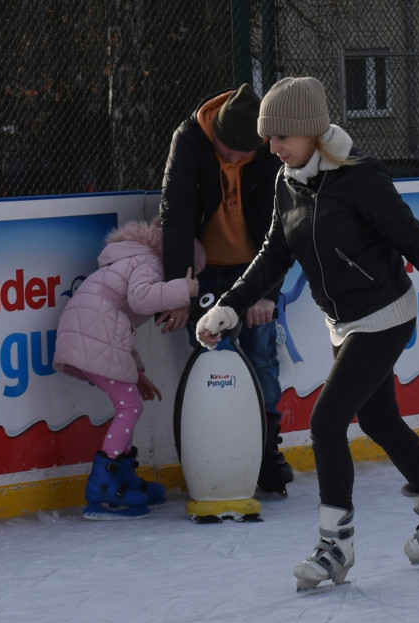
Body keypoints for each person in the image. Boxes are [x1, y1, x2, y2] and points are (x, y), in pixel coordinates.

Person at [194, 76, 419, 590]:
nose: (272, 146)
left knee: (326, 422)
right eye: (269, 138)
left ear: (310, 130)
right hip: (344, 323)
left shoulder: (360, 177)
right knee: (379, 420)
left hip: (385, 315)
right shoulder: (287, 181)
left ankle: (335, 547)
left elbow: (413, 239)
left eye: (281, 136)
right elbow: (275, 253)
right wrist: (232, 305)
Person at [156, 83, 294, 497]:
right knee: (210, 361)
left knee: (261, 358)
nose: (232, 159)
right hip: (203, 273)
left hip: (254, 271)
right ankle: (214, 450)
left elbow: (284, 225)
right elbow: (176, 215)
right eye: (226, 150)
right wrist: (179, 292)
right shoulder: (190, 140)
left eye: (242, 154)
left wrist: (267, 292)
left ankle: (265, 451)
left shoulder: (271, 150)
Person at [54, 218, 202, 520]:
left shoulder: (132, 257)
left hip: (92, 328)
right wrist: (183, 289)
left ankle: (121, 476)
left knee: (130, 402)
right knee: (130, 406)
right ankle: (103, 484)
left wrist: (138, 375)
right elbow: (140, 299)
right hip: (94, 332)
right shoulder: (149, 262)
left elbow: (116, 327)